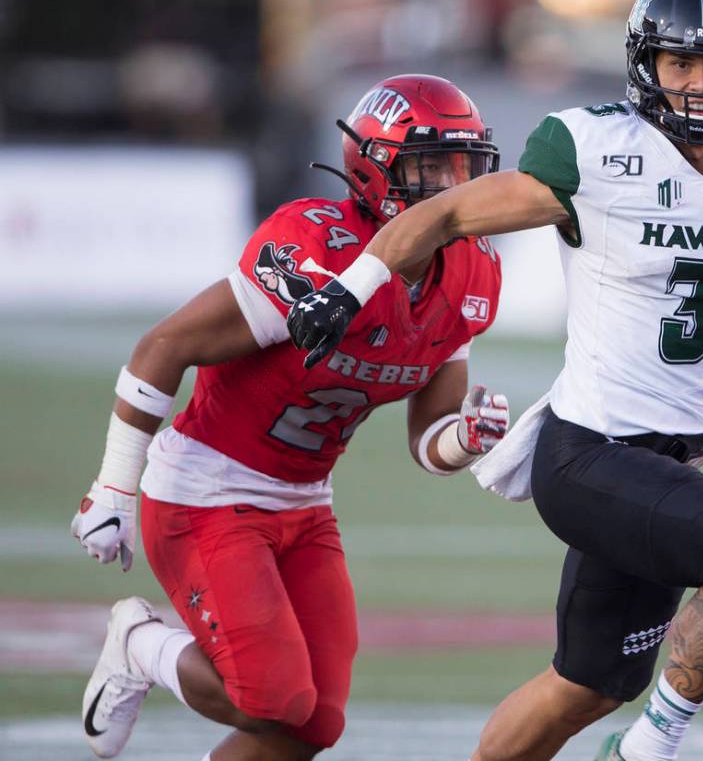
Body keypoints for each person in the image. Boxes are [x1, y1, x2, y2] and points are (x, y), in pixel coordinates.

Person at [286, 0, 703, 761]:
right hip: (590, 450)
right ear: (648, 65)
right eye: (682, 64)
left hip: (666, 453)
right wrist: (351, 287)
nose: (702, 83)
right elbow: (446, 213)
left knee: (590, 683)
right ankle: (645, 751)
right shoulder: (595, 146)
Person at [70, 73, 510, 761]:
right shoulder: (315, 247)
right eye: (432, 167)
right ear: (375, 168)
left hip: (305, 503)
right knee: (269, 697)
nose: (454, 187)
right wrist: (114, 486)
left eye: (465, 166)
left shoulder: (474, 271)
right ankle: (139, 646)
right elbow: (166, 345)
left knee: (315, 723)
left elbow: (429, 439)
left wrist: (467, 438)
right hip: (205, 491)